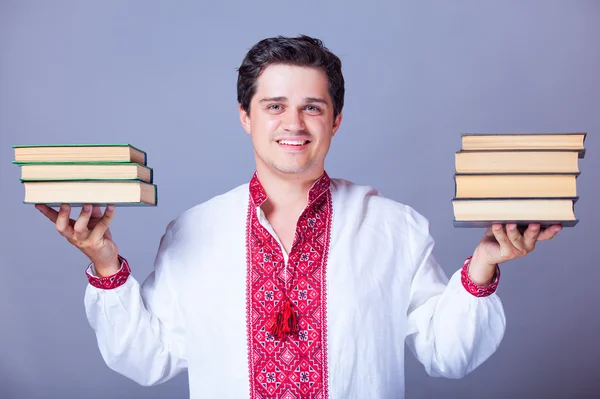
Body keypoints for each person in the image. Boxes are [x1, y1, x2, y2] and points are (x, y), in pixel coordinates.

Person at [36, 35, 562, 398]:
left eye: (312, 107)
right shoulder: (194, 231)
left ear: (335, 119)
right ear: (245, 117)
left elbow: (446, 354)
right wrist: (104, 261)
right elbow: (148, 358)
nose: (294, 123)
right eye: (274, 106)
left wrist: (484, 266)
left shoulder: (394, 227)